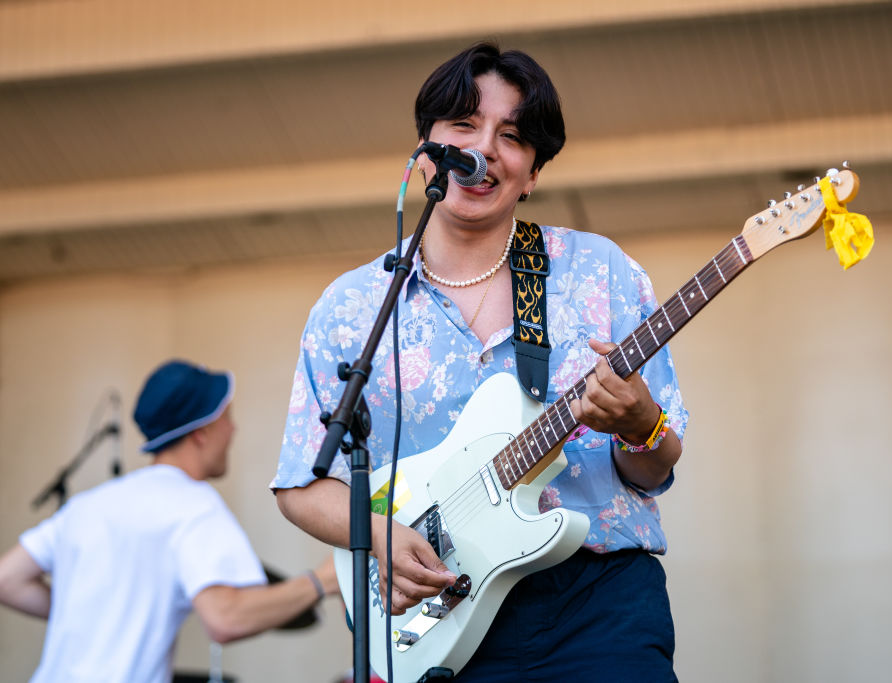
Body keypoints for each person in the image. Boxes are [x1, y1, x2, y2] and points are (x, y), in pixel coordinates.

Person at [272, 43, 686, 681]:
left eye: (512, 137)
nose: (485, 148)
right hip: (439, 611)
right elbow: (302, 483)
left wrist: (641, 423)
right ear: (427, 146)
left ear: (533, 172)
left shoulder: (600, 272)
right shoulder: (353, 307)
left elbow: (654, 465)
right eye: (464, 125)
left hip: (596, 606)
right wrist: (380, 534)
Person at [0, 359, 340, 683]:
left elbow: (7, 579)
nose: (233, 430)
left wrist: (94, 617)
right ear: (202, 432)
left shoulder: (88, 503)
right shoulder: (192, 503)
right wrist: (322, 581)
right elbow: (226, 617)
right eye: (227, 418)